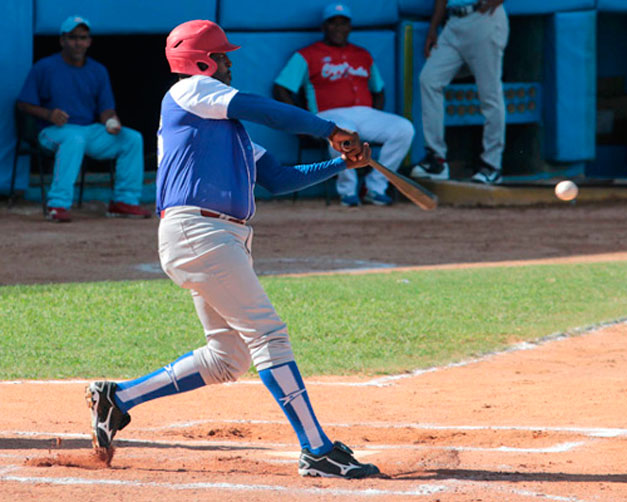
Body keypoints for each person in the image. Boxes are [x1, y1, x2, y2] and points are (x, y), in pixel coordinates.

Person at [84, 20, 380, 479]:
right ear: (201, 62)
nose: (229, 62)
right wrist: (330, 128)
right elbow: (266, 109)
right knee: (269, 335)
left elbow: (279, 179)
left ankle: (118, 398)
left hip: (216, 239)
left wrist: (339, 162)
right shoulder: (190, 92)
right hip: (200, 234)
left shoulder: (222, 125)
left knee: (228, 358)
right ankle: (317, 449)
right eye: (221, 56)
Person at [273, 3, 414, 207]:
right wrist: (302, 122)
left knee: (404, 129)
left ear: (350, 27)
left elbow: (379, 90)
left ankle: (375, 187)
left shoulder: (362, 54)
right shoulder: (307, 54)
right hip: (328, 113)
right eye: (333, 23)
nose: (338, 28)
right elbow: (281, 88)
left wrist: (375, 114)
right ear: (324, 27)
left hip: (365, 113)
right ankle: (348, 190)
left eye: (343, 23)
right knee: (346, 131)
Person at [16, 15, 150, 223]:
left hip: (88, 130)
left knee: (131, 139)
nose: (78, 42)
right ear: (62, 40)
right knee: (74, 139)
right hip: (51, 131)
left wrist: (111, 121)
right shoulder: (45, 67)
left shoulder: (98, 70)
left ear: (89, 41)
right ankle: (57, 204)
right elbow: (23, 103)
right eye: (72, 37)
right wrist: (49, 114)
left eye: (83, 37)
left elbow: (106, 109)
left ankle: (124, 202)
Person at [410, 0, 508, 184]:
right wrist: (433, 28)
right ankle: (436, 159)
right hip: (453, 23)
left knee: (490, 94)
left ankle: (492, 165)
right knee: (429, 79)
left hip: (484, 18)